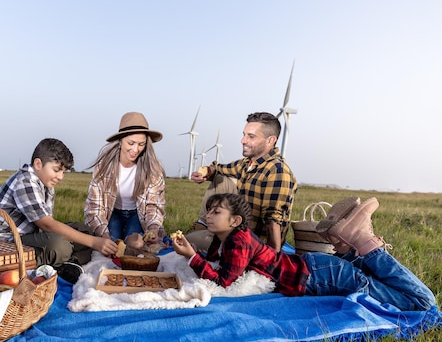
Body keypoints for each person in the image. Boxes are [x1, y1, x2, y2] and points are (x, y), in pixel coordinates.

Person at [172, 193, 436, 312]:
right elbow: (219, 265)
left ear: (235, 221)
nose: (208, 215)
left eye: (216, 212)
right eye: (208, 210)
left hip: (320, 276)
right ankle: (352, 244)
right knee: (384, 286)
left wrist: (191, 257)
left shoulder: (239, 241)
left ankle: (363, 242)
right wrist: (196, 254)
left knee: (423, 302)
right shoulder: (226, 238)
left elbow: (224, 281)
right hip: (319, 269)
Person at [0, 138, 118, 283]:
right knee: (60, 245)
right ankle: (51, 265)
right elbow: (47, 224)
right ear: (38, 164)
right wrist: (94, 242)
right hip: (2, 241)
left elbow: (47, 227)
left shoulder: (46, 184)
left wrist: (90, 238)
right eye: (57, 170)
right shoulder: (25, 181)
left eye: (63, 172)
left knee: (85, 231)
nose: (60, 177)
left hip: (28, 235)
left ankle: (68, 264)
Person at [187, 112, 297, 253]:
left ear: (270, 140)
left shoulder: (277, 172)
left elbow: (273, 222)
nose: (243, 140)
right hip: (236, 230)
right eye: (244, 134)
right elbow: (220, 169)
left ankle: (210, 239)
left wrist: (271, 262)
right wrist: (207, 172)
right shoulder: (247, 163)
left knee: (186, 241)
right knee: (220, 178)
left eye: (251, 136)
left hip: (249, 247)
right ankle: (203, 225)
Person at [84, 111, 166, 252]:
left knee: (136, 244)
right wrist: (104, 235)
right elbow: (94, 208)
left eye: (141, 144)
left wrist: (152, 228)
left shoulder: (153, 170)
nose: (135, 149)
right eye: (131, 143)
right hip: (112, 213)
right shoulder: (103, 168)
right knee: (112, 244)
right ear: (120, 141)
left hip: (137, 214)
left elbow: (154, 206)